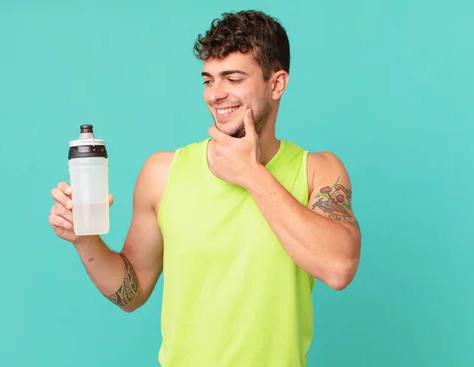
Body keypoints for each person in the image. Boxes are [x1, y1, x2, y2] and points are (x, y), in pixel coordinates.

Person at [49, 10, 361, 367]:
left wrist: (252, 175)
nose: (216, 94)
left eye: (233, 78)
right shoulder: (163, 173)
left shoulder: (317, 171)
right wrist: (84, 238)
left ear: (276, 84)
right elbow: (131, 293)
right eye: (208, 80)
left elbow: (339, 268)